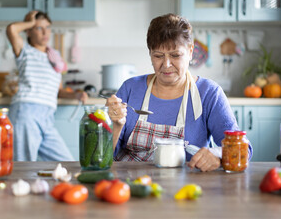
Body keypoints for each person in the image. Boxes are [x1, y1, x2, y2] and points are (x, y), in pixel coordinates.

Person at [105, 13, 253, 172]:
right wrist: (116, 125)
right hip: (131, 186)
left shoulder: (209, 93)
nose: (166, 64)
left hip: (186, 190)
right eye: (158, 56)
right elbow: (103, 157)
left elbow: (243, 149)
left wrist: (217, 154)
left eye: (175, 55)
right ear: (150, 54)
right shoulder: (130, 89)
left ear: (190, 51)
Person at [6, 10, 88, 161]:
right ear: (28, 32)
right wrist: (30, 22)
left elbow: (58, 90)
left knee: (66, 163)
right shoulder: (25, 51)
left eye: (48, 27)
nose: (45, 32)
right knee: (24, 165)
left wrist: (76, 94)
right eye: (38, 28)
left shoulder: (54, 57)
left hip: (47, 117)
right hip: (26, 112)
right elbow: (11, 29)